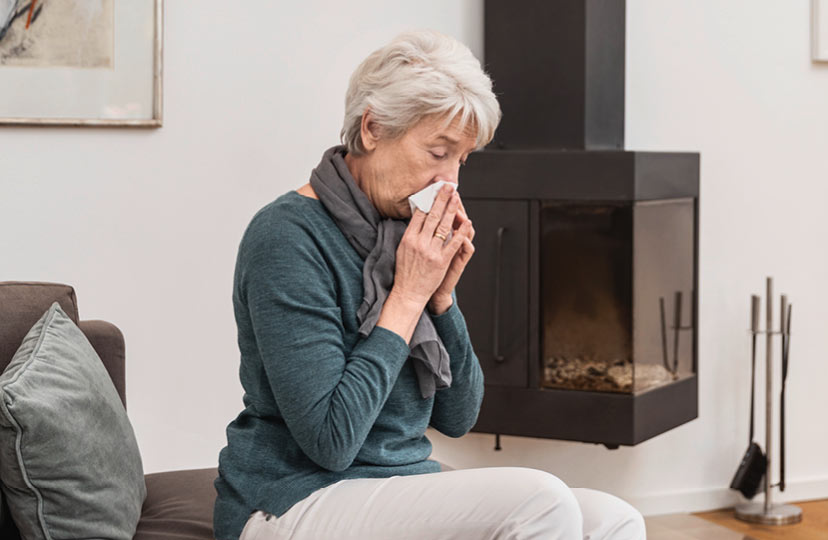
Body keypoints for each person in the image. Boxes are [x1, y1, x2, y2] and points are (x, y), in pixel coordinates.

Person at [213, 30, 647, 540]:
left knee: (616, 519)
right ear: (372, 128)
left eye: (461, 160)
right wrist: (408, 295)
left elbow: (458, 417)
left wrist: (441, 301)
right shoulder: (286, 236)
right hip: (290, 500)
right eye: (438, 152)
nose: (452, 182)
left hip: (398, 483)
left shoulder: (402, 237)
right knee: (542, 501)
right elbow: (331, 441)